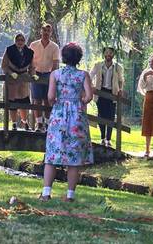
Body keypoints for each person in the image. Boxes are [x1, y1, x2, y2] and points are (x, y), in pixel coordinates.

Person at [39, 42, 94, 202]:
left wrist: (57, 104)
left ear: (63, 57)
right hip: (76, 116)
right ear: (78, 59)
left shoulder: (55, 74)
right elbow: (89, 96)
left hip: (58, 115)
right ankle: (70, 196)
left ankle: (46, 193)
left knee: (52, 154)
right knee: (74, 157)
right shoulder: (83, 75)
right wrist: (80, 101)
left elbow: (50, 97)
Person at [89, 47, 124, 147]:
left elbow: (121, 80)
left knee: (111, 116)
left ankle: (108, 139)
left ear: (113, 55)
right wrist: (92, 87)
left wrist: (120, 89)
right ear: (104, 53)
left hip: (112, 93)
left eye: (111, 53)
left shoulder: (117, 67)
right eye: (107, 52)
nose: (108, 54)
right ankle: (102, 138)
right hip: (101, 92)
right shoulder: (98, 65)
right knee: (101, 115)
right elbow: (90, 75)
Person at [1, 33, 36, 131]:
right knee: (12, 104)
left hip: (23, 81)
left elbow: (32, 67)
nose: (20, 42)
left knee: (24, 103)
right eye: (18, 40)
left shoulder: (29, 52)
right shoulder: (9, 50)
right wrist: (11, 73)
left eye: (22, 40)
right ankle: (14, 124)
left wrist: (33, 74)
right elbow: (4, 65)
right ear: (15, 41)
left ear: (24, 41)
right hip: (12, 81)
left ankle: (25, 122)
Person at [29, 24, 60, 133]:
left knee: (47, 100)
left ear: (51, 33)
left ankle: (47, 124)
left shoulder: (54, 47)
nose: (46, 33)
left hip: (48, 74)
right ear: (40, 31)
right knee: (36, 100)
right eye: (44, 30)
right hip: (36, 73)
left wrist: (52, 78)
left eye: (48, 31)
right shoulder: (33, 45)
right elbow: (29, 60)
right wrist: (32, 73)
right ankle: (39, 124)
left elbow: (55, 64)